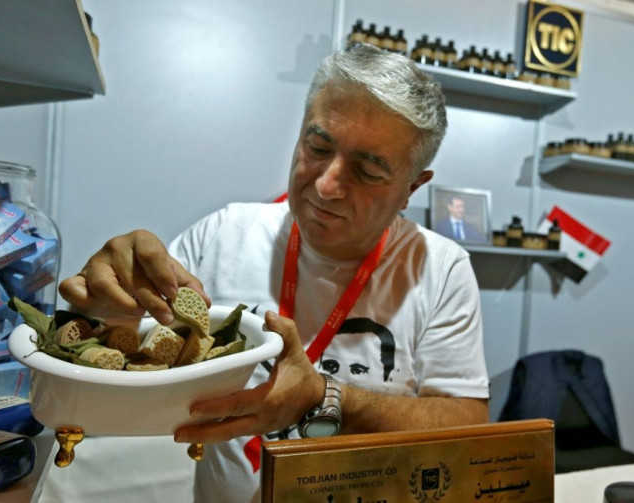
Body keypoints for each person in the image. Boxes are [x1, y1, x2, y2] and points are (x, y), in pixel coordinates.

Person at [59, 44, 490, 503]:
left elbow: (466, 422)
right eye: (317, 146)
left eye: (367, 171)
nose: (325, 185)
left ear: (411, 189)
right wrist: (108, 313)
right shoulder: (224, 234)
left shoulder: (440, 268)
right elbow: (121, 357)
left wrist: (326, 398)